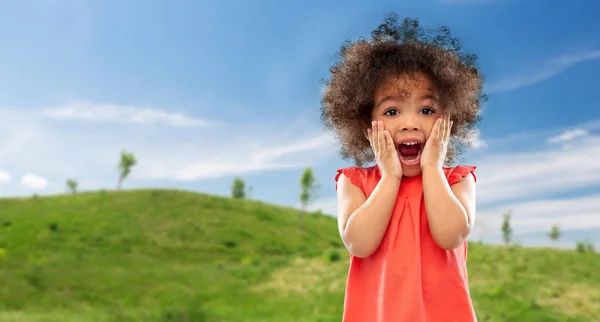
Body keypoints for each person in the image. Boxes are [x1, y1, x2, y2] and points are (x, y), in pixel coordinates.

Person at [320, 14, 486, 322]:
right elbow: (359, 243)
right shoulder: (355, 182)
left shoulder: (457, 180)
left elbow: (451, 236)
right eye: (392, 110)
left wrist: (434, 167)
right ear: (365, 122)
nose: (410, 123)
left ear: (448, 121)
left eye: (426, 110)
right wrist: (391, 176)